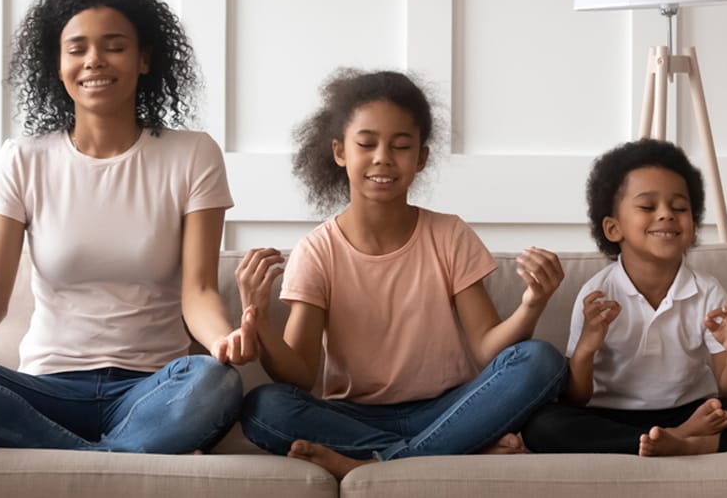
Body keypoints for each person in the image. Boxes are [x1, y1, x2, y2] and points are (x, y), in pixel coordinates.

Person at [0, 0, 258, 454]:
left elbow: (197, 291)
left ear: (144, 59)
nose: (94, 60)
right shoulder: (22, 159)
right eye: (77, 48)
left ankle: (71, 457)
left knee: (217, 380)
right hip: (46, 389)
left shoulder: (192, 154)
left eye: (114, 46)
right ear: (57, 62)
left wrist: (222, 340)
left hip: (150, 388)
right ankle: (114, 459)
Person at [234, 69, 567, 479]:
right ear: (340, 151)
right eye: (366, 143)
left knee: (541, 360)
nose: (383, 158)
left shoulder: (449, 234)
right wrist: (259, 317)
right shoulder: (317, 250)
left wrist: (533, 304)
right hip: (351, 415)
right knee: (264, 407)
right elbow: (300, 375)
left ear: (421, 158)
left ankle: (376, 463)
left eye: (401, 145)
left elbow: (486, 350)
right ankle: (454, 451)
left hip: (448, 407)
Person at [522, 139, 727, 456]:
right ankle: (679, 439)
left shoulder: (707, 291)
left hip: (696, 411)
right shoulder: (597, 293)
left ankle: (693, 439)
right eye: (648, 207)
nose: (666, 215)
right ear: (612, 228)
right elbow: (576, 399)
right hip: (612, 416)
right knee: (543, 423)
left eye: (679, 208)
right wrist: (586, 348)